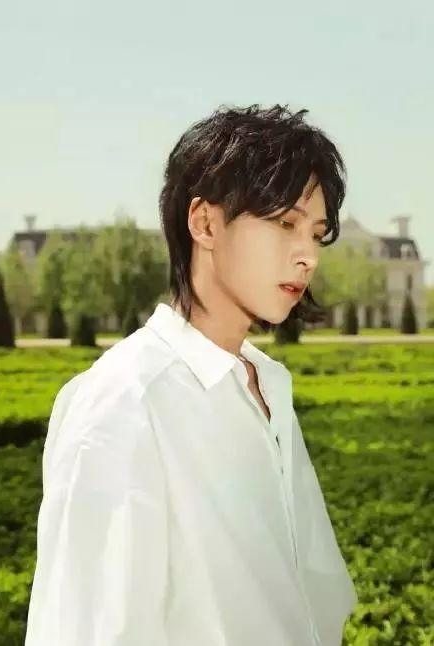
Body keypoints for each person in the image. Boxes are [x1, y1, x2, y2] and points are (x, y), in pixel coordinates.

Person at [24, 104, 358, 646]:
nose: (308, 256)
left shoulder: (267, 384)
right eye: (285, 223)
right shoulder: (125, 401)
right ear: (205, 223)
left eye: (317, 234)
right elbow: (87, 629)